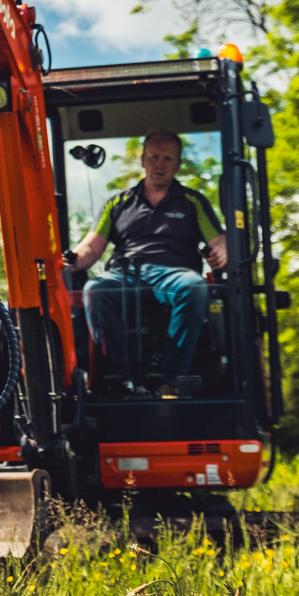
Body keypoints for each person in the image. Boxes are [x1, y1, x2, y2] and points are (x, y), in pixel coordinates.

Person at [64, 129, 226, 397]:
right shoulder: (118, 202)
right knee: (96, 290)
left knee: (194, 286)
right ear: (142, 160)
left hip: (175, 275)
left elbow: (218, 239)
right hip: (126, 275)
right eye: (153, 157)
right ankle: (118, 376)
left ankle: (171, 380)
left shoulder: (193, 201)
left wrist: (221, 250)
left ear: (177, 164)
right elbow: (91, 246)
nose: (159, 164)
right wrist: (71, 260)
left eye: (167, 158)